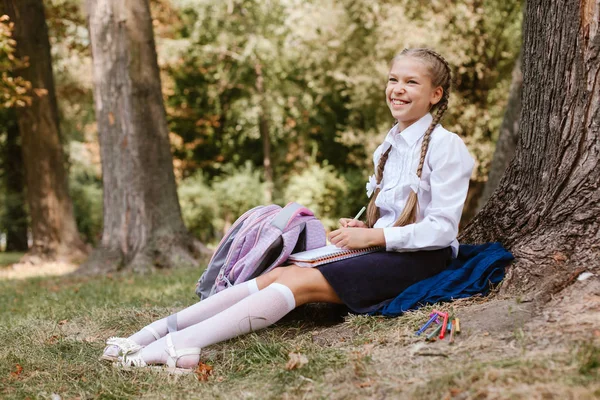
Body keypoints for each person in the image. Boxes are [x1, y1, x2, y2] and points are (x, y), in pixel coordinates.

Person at [102, 48, 474, 372]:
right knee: (280, 273)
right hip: (384, 248)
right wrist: (362, 226)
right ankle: (153, 332)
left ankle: (183, 344)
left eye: (411, 82)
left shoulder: (447, 147)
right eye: (394, 79)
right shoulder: (389, 146)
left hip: (423, 258)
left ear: (435, 94)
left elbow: (441, 229)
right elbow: (393, 214)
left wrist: (374, 235)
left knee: (295, 282)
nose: (398, 89)